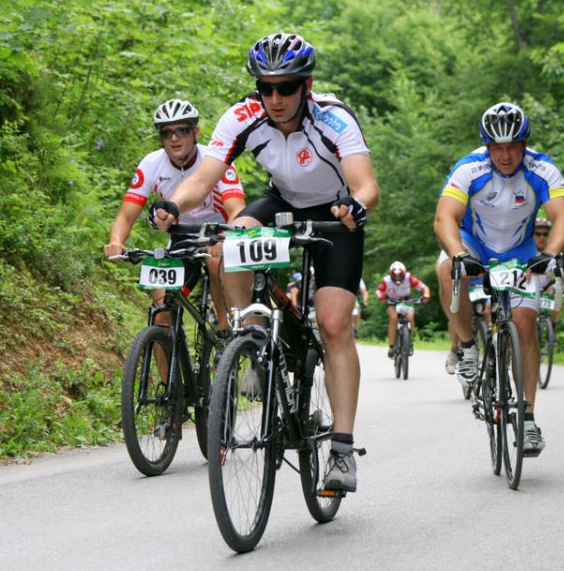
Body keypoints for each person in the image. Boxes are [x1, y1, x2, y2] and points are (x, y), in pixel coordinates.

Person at [149, 33, 379, 493]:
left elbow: (365, 184)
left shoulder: (334, 118)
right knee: (233, 236)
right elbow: (202, 178)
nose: (274, 98)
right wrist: (175, 205)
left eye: (286, 87)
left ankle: (342, 448)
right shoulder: (243, 116)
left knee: (334, 325)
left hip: (335, 213)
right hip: (282, 202)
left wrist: (355, 207)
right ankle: (250, 337)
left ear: (306, 85)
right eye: (265, 87)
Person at [434, 101, 564, 456]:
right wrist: (458, 255)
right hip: (475, 244)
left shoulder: (542, 168)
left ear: (524, 144)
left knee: (525, 325)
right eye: (497, 147)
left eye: (513, 145)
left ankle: (527, 419)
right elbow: (444, 218)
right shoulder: (470, 167)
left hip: (522, 249)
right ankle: (467, 346)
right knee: (443, 268)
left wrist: (551, 253)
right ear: (486, 146)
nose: (505, 154)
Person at [103, 98, 245, 330]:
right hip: (181, 236)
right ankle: (166, 358)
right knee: (161, 313)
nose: (174, 138)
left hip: (219, 231)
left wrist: (227, 239)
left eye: (182, 130)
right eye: (167, 133)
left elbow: (236, 208)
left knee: (216, 260)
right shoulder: (151, 164)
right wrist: (116, 241)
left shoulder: (216, 159)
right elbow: (126, 215)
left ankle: (224, 328)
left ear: (195, 132)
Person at [376, 261, 431, 357]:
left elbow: (424, 287)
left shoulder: (409, 278)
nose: (398, 281)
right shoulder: (386, 280)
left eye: (400, 278)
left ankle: (409, 341)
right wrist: (381, 297)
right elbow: (379, 291)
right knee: (393, 318)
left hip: (406, 300)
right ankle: (392, 346)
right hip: (392, 301)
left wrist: (426, 295)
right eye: (395, 278)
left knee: (410, 317)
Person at [532, 217, 564, 327]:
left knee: (559, 288)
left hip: (546, 285)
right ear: (532, 235)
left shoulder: (554, 249)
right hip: (529, 285)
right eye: (538, 234)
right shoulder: (527, 250)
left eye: (545, 234)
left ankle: (553, 325)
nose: (541, 237)